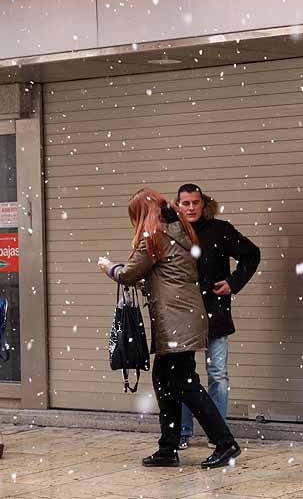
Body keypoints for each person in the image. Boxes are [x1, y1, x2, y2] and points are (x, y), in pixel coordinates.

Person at [97, 188, 241, 469]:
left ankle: (226, 444)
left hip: (177, 321)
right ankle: (168, 448)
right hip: (183, 317)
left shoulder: (156, 235)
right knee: (164, 379)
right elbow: (165, 276)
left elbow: (128, 273)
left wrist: (108, 266)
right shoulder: (177, 231)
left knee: (186, 383)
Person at [175, 184, 260, 450]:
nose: (191, 208)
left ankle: (218, 433)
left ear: (203, 204)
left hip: (215, 314)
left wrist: (233, 282)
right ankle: (181, 432)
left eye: (195, 203)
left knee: (217, 375)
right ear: (177, 205)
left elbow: (251, 254)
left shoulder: (220, 230)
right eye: (185, 203)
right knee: (181, 376)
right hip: (181, 316)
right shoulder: (172, 232)